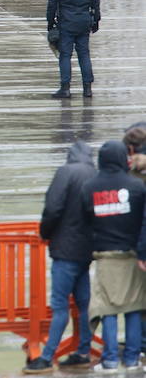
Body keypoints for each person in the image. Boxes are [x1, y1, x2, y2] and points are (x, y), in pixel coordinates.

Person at [22, 141, 96, 374]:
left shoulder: (65, 172)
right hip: (87, 251)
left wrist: (45, 232)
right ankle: (83, 351)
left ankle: (47, 356)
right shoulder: (94, 174)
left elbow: (53, 207)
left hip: (65, 249)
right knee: (84, 304)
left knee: (60, 305)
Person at [82, 141, 146, 372]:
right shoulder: (137, 187)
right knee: (133, 307)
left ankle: (108, 360)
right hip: (132, 256)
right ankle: (131, 358)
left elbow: (83, 221)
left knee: (106, 308)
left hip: (104, 257)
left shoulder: (89, 187)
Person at [46, 0, 100, 99]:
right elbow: (96, 5)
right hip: (84, 22)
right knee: (84, 54)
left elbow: (52, 4)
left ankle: (65, 88)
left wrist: (50, 23)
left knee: (65, 55)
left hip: (67, 23)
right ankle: (87, 88)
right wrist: (96, 21)